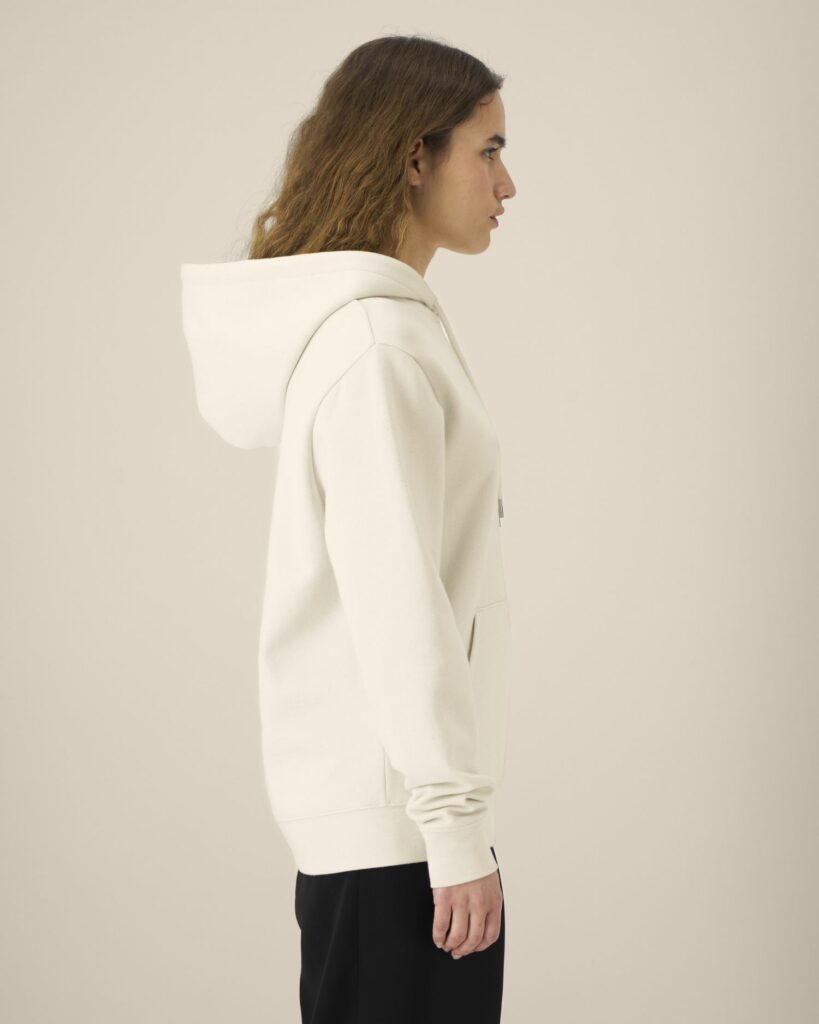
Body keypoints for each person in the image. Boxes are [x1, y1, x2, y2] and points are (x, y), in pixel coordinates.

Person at [180, 33, 517, 1024]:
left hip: (396, 829)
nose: (507, 184)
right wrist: (452, 829)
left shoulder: (390, 331)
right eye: (488, 152)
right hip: (401, 839)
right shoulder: (376, 349)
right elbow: (397, 603)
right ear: (415, 157)